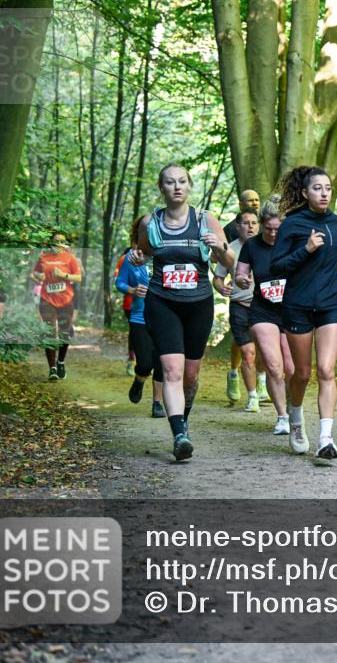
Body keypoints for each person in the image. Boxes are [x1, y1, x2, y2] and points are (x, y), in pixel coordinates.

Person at [131, 163, 235, 461]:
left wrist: (220, 248)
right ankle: (179, 435)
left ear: (189, 186)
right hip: (162, 302)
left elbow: (230, 261)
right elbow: (143, 252)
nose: (176, 187)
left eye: (181, 182)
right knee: (172, 372)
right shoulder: (150, 222)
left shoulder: (205, 220)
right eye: (169, 182)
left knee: (190, 375)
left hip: (198, 304)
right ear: (161, 187)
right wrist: (139, 259)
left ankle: (183, 419)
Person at [269, 166, 337, 460]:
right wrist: (304, 249)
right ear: (305, 193)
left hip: (331, 303)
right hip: (298, 305)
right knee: (302, 373)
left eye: (328, 188)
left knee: (327, 370)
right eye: (317, 188)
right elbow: (276, 266)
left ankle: (326, 439)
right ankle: (295, 420)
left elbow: (332, 251)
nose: (324, 193)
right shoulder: (292, 224)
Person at [235, 196, 303, 449]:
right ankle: (283, 417)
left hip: (292, 310)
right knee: (275, 367)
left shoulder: (294, 242)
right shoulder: (252, 246)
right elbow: (241, 273)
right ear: (262, 225)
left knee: (293, 369)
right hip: (263, 311)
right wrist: (242, 280)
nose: (274, 233)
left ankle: (293, 408)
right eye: (269, 228)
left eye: (278, 229)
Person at [213, 209, 264, 412]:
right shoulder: (230, 251)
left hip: (264, 308)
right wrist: (221, 287)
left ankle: (262, 381)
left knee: (263, 353)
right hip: (239, 307)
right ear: (238, 226)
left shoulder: (268, 247)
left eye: (254, 223)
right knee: (248, 353)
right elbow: (217, 279)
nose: (250, 226)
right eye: (246, 223)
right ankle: (252, 397)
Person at [115, 216, 165, 418]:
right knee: (145, 363)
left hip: (164, 316)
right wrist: (133, 290)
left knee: (161, 362)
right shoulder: (131, 258)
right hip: (139, 316)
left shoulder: (166, 256)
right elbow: (119, 283)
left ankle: (157, 403)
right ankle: (140, 380)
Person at [30, 231, 82, 380]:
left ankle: (60, 362)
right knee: (50, 332)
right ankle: (52, 368)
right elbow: (35, 274)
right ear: (50, 243)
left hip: (66, 301)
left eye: (62, 241)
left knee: (65, 333)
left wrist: (63, 275)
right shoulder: (43, 258)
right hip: (47, 300)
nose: (59, 244)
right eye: (56, 241)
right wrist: (39, 276)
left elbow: (78, 278)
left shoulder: (70, 258)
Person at [113, 247, 136, 376]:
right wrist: (132, 289)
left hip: (154, 302)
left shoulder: (158, 252)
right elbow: (117, 280)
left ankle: (146, 362)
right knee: (135, 332)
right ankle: (131, 361)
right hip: (131, 303)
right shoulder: (125, 258)